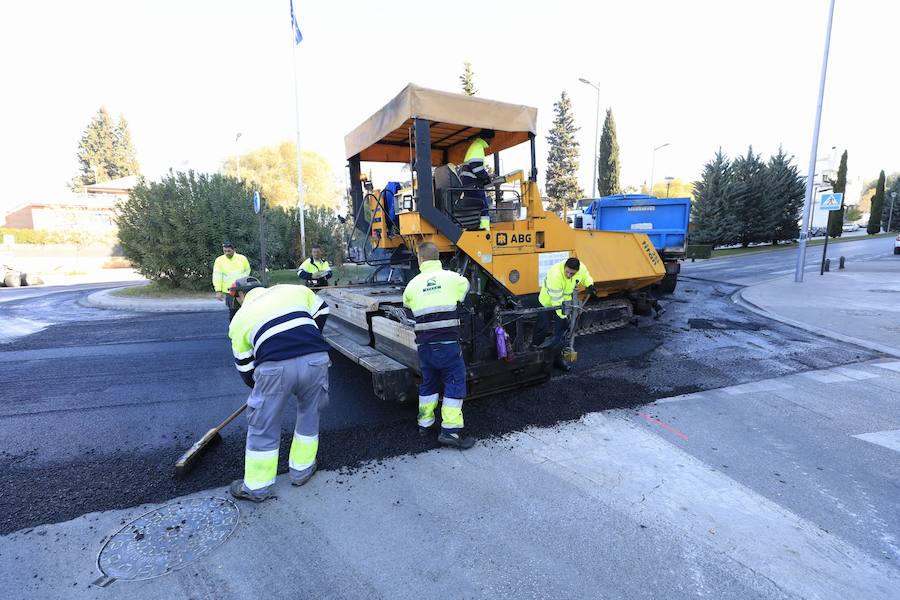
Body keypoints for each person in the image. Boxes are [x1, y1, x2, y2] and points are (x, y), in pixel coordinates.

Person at [227, 276, 332, 502]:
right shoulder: (291, 289)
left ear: (241, 296)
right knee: (309, 414)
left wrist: (260, 390)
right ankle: (301, 471)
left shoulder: (239, 320)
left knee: (264, 425)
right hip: (316, 359)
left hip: (274, 370)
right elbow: (322, 311)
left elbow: (246, 369)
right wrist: (309, 339)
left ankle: (256, 488)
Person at [402, 242, 474, 449]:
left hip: (425, 346)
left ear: (420, 259)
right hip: (448, 344)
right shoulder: (452, 278)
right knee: (454, 382)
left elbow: (408, 314)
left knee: (429, 383)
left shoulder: (412, 285)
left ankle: (424, 424)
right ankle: (450, 432)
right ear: (438, 257)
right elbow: (466, 288)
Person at [533, 257, 596, 372]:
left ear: (576, 270)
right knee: (542, 328)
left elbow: (585, 276)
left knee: (560, 333)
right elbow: (556, 300)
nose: (569, 274)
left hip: (565, 304)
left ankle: (558, 357)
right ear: (564, 267)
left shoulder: (580, 269)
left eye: (572, 273)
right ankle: (534, 354)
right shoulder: (555, 274)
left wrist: (590, 284)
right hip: (548, 303)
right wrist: (563, 317)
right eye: (567, 272)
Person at [458, 129, 495, 231]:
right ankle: (484, 230)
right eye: (492, 140)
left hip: (467, 185)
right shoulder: (478, 147)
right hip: (474, 185)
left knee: (472, 208)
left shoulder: (474, 146)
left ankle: (472, 227)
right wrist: (487, 177)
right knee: (483, 206)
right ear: (488, 138)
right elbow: (476, 167)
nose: (492, 142)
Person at [213, 242, 251, 321]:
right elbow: (217, 276)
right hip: (229, 291)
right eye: (224, 251)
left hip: (241, 289)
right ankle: (233, 330)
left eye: (229, 251)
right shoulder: (219, 260)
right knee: (233, 312)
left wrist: (243, 283)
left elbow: (247, 271)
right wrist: (218, 291)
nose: (226, 253)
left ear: (234, 250)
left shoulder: (242, 259)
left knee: (245, 310)